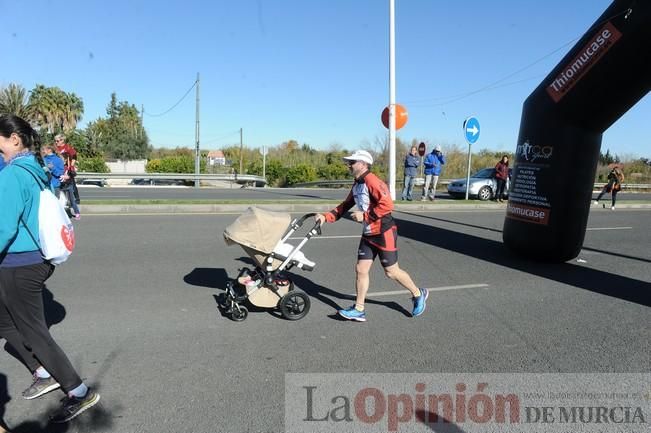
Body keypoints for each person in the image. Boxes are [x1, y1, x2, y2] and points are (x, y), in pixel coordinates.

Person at [0, 114, 100, 423]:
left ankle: (79, 392)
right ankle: (44, 371)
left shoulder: (13, 174)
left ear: (14, 139)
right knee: (4, 323)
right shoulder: (34, 168)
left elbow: (4, 227)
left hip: (21, 263)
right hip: (26, 260)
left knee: (34, 331)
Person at [315, 149, 428, 322]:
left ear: (363, 164)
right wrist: (326, 217)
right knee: (361, 269)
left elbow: (387, 204)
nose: (349, 165)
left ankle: (418, 293)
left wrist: (365, 216)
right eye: (349, 162)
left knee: (391, 272)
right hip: (368, 233)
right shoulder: (357, 184)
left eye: (352, 162)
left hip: (384, 232)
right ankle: (359, 309)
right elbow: (345, 206)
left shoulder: (372, 181)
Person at [54, 134, 79, 205]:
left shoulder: (67, 148)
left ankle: (76, 199)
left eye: (58, 141)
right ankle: (63, 200)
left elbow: (74, 156)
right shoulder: (56, 149)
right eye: (55, 141)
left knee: (72, 185)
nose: (56, 142)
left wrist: (71, 165)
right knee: (61, 186)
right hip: (60, 169)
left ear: (62, 140)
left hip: (68, 169)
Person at [59, 150, 81, 220]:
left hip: (69, 185)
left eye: (62, 159)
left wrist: (69, 174)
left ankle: (77, 213)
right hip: (62, 186)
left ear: (65, 160)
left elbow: (73, 174)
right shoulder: (59, 166)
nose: (60, 160)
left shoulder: (69, 167)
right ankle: (62, 214)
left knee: (72, 200)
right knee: (62, 200)